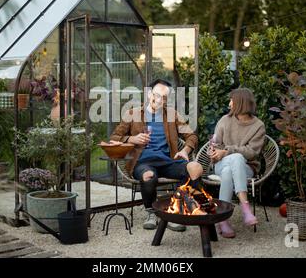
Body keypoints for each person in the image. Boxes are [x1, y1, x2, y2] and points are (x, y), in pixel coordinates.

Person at [110, 79, 203, 231]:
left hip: (168, 161)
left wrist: (185, 151)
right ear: (148, 94)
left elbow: (192, 136)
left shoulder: (172, 114)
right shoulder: (132, 114)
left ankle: (176, 210)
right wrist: (132, 138)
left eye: (164, 97)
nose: (159, 100)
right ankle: (151, 212)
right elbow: (114, 137)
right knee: (148, 176)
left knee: (195, 168)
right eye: (156, 95)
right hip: (142, 162)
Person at [209, 88, 266, 238]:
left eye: (232, 100)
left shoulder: (258, 126)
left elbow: (252, 152)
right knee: (234, 160)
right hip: (221, 164)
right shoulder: (225, 120)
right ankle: (245, 208)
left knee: (236, 162)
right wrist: (214, 152)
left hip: (247, 167)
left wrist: (228, 151)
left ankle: (223, 219)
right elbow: (216, 145)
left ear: (240, 103)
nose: (229, 103)